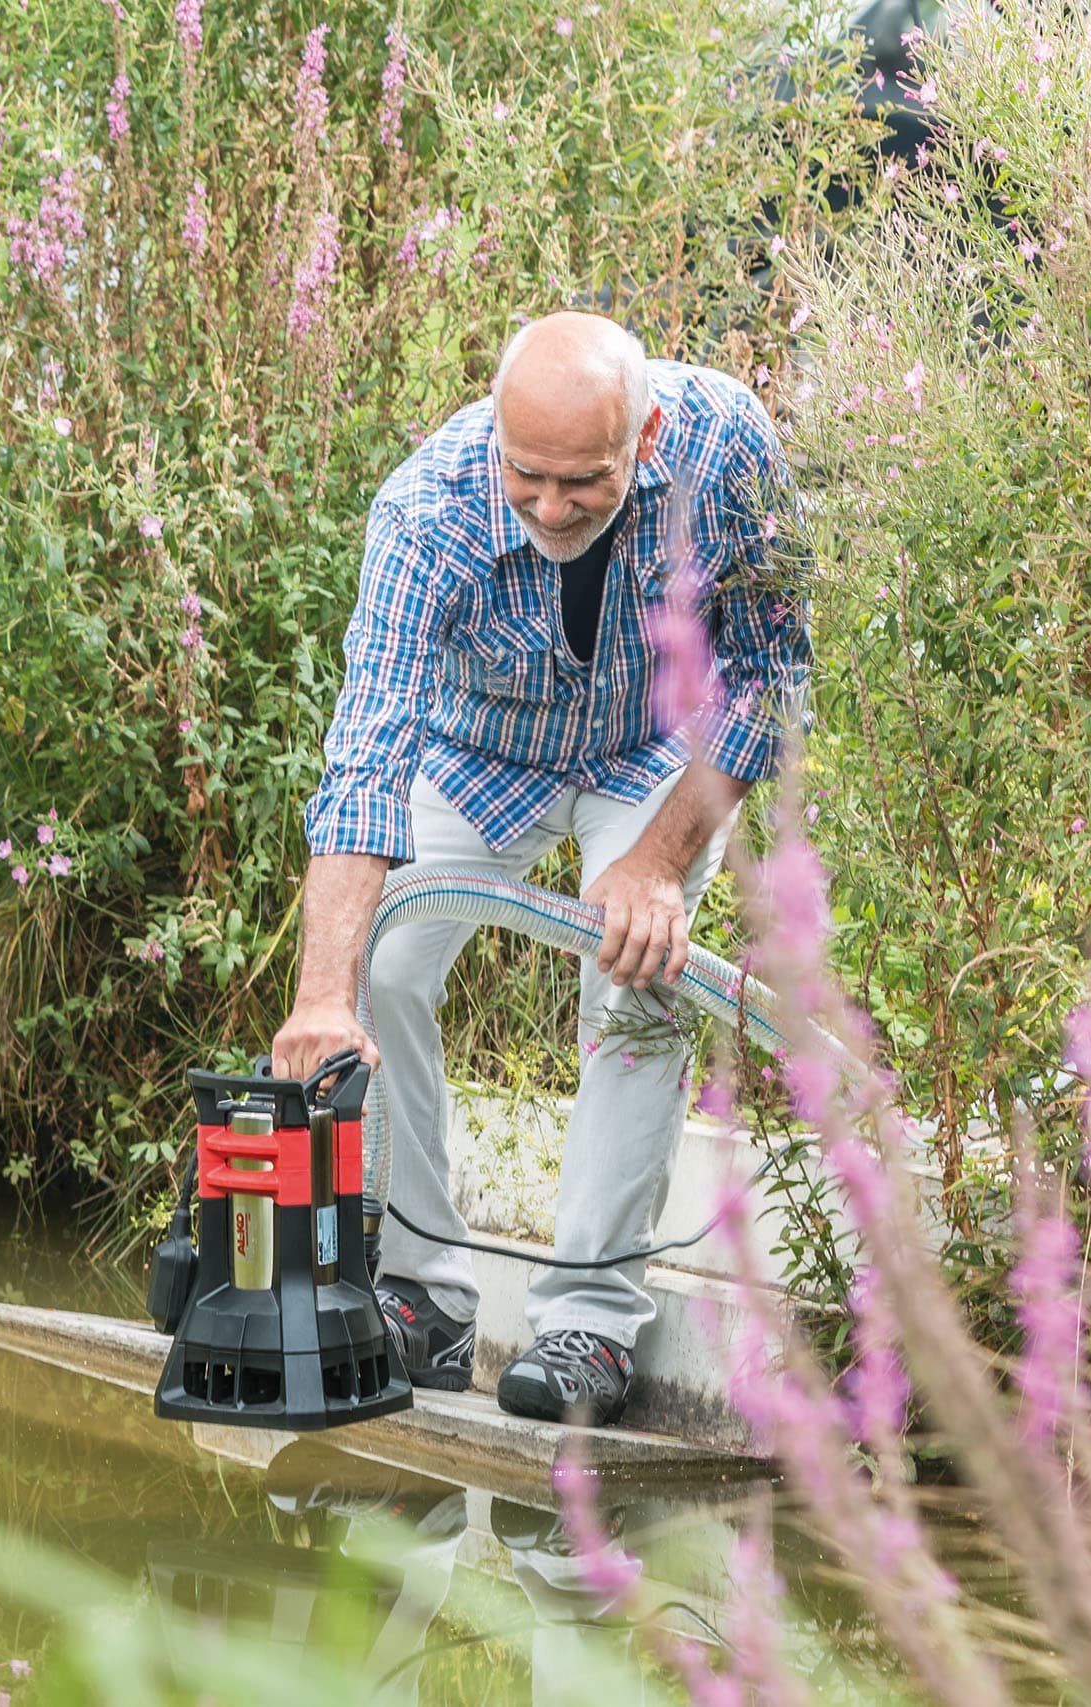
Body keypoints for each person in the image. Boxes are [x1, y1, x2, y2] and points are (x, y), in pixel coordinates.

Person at [270, 312, 811, 1426]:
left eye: (586, 482)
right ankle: (423, 1293)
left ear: (645, 435)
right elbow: (368, 756)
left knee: (637, 978)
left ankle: (589, 1323)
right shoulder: (425, 512)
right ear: (494, 433)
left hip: (654, 752)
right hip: (481, 753)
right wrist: (320, 997)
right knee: (379, 959)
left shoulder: (726, 448)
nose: (553, 507)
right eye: (529, 477)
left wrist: (658, 864)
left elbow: (766, 680)